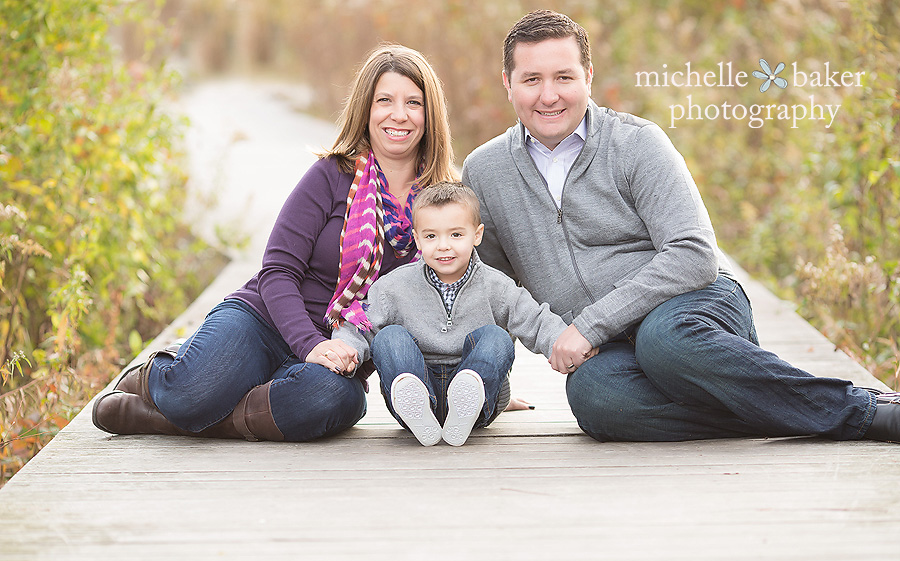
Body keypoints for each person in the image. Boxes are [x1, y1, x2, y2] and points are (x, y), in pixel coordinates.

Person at [461, 9, 900, 443]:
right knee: (596, 397)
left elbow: (694, 253)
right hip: (610, 350)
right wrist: (491, 385)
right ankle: (778, 409)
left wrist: (588, 325)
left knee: (663, 341)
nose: (549, 95)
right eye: (532, 79)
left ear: (588, 76)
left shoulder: (636, 143)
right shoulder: (486, 170)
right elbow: (494, 289)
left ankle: (861, 412)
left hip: (695, 310)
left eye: (564, 77)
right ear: (508, 83)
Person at [91, 44, 457, 442]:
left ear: (430, 114)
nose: (398, 114)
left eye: (413, 103)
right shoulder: (331, 175)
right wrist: (309, 343)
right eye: (384, 100)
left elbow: (453, 298)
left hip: (344, 352)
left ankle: (183, 417)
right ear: (365, 110)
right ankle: (159, 378)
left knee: (335, 400)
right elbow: (278, 270)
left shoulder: (444, 204)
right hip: (263, 321)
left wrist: (468, 381)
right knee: (191, 395)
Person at [332, 182, 567, 446]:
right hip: (416, 384)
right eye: (431, 236)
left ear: (476, 235)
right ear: (417, 238)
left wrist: (567, 345)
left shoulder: (496, 286)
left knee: (496, 337)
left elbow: (534, 320)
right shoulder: (393, 286)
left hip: (477, 394)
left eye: (456, 235)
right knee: (389, 337)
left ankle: (469, 396)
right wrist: (343, 349)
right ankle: (416, 406)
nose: (443, 246)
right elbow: (361, 325)